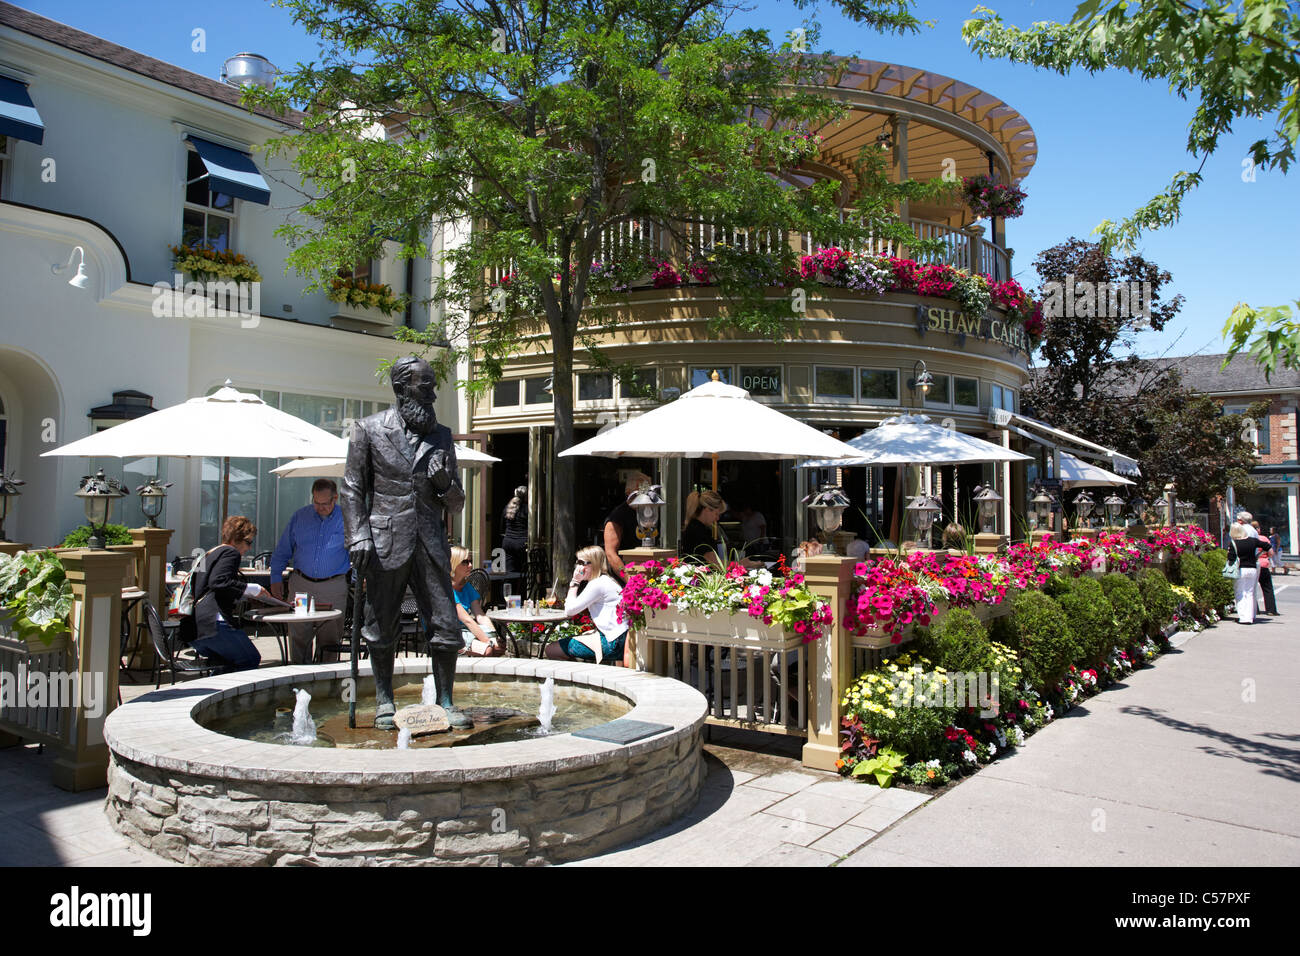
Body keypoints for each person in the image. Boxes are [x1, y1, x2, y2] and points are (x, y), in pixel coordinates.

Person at [340, 356, 469, 730]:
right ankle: (384, 700)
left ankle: (445, 701)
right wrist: (359, 535)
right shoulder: (367, 430)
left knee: (445, 624)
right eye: (423, 386)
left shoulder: (441, 435)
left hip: (430, 543)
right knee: (380, 625)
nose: (432, 393)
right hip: (384, 542)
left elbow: (457, 503)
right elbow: (352, 489)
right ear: (400, 389)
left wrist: (445, 482)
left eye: (432, 385)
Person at [268, 478, 351, 664]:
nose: (320, 507)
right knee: (299, 634)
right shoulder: (300, 517)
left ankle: (326, 680)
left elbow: (357, 551)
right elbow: (282, 551)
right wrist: (275, 579)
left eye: (325, 503)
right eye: (316, 502)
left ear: (335, 498)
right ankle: (299, 678)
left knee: (330, 637)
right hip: (301, 584)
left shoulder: (347, 518)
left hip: (333, 585)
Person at [191, 515, 274, 672]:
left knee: (224, 663)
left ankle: (218, 694)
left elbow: (208, 586)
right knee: (250, 659)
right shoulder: (231, 552)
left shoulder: (209, 553)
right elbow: (219, 581)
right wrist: (254, 589)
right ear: (236, 539)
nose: (249, 548)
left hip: (194, 627)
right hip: (214, 623)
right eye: (248, 542)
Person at [545, 546, 626, 664]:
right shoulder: (608, 580)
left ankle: (573, 679)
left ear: (594, 564)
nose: (578, 567)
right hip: (620, 639)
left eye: (582, 563)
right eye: (577, 562)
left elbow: (569, 611)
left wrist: (575, 581)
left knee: (552, 650)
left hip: (613, 643)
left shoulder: (597, 584)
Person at [451, 546, 501, 656]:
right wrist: (488, 642)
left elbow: (480, 615)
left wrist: (494, 637)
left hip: (465, 630)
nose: (470, 565)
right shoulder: (447, 589)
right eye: (465, 562)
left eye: (470, 561)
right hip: (450, 633)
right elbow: (467, 620)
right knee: (488, 650)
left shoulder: (466, 586)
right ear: (454, 564)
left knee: (499, 647)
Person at [602, 471, 651, 585]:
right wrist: (628, 579)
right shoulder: (617, 516)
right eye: (642, 490)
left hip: (644, 574)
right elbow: (611, 553)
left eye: (648, 490)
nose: (646, 494)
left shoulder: (647, 513)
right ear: (629, 492)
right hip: (624, 580)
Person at [1229, 521, 1272, 625]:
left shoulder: (1234, 543)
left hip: (1241, 570)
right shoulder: (1252, 541)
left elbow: (1231, 559)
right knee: (1249, 593)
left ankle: (1243, 617)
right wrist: (1262, 555)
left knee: (1240, 593)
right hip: (1252, 569)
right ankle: (1250, 616)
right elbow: (1267, 546)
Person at [500, 485, 529, 574]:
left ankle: (507, 587)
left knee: (508, 573)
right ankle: (520, 588)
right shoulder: (526, 509)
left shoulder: (507, 508)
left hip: (507, 542)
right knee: (523, 573)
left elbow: (502, 527)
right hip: (521, 543)